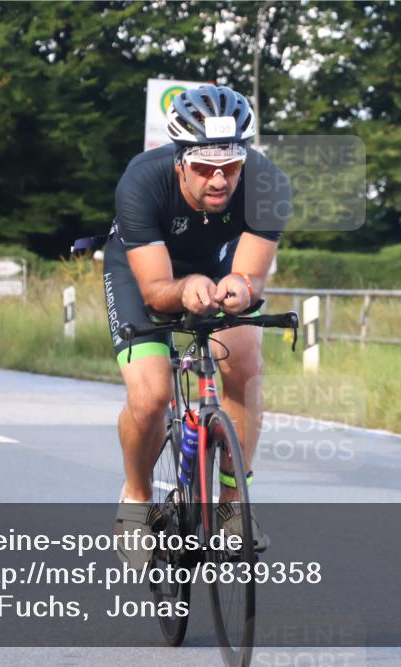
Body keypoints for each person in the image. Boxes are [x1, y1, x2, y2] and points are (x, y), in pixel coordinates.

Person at [106, 84, 290, 568]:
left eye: (230, 166)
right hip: (144, 273)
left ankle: (231, 504)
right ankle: (137, 498)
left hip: (217, 265)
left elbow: (250, 274)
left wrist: (243, 288)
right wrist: (185, 288)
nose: (219, 179)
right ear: (179, 161)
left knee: (246, 364)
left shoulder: (267, 184)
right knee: (151, 397)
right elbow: (156, 290)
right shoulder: (142, 182)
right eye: (205, 167)